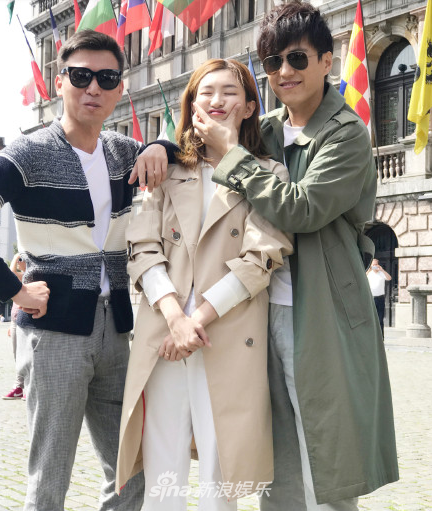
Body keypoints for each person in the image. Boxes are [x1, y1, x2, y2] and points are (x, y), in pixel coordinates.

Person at [188, 2, 399, 510]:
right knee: (276, 461)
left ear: (327, 61)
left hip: (323, 311)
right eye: (273, 61)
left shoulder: (345, 133)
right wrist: (156, 147)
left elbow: (301, 209)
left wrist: (234, 155)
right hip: (257, 310)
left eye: (298, 58)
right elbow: (198, 145)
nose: (285, 71)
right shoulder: (265, 129)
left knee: (324, 460)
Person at [0, 30, 176, 511]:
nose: (93, 87)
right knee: (50, 475)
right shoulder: (26, 154)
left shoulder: (123, 151)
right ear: (60, 82)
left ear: (121, 88)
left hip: (116, 328)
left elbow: (181, 149)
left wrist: (161, 145)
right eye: (80, 76)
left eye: (107, 78)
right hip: (54, 329)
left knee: (130, 469)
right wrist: (14, 291)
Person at [115, 58, 294, 510]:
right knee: (163, 472)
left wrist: (195, 321)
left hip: (227, 332)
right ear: (191, 104)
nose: (216, 101)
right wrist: (176, 318)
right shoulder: (163, 171)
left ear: (250, 106)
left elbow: (261, 257)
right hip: (164, 331)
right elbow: (142, 247)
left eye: (230, 92)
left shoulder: (268, 174)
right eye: (205, 92)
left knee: (220, 472)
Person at [2, 254, 26, 400]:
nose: (20, 262)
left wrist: (17, 257)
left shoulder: (29, 276)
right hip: (15, 320)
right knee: (17, 356)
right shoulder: (20, 277)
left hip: (28, 321)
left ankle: (28, 387)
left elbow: (12, 273)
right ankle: (18, 388)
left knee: (28, 357)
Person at [367, 258, 392, 335]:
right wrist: (369, 270)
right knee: (371, 319)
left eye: (376, 264)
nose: (375, 266)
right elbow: (362, 278)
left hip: (380, 298)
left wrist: (382, 270)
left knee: (380, 319)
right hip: (371, 298)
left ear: (378, 265)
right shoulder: (369, 274)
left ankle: (381, 336)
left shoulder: (381, 273)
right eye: (373, 265)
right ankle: (372, 335)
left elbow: (389, 278)